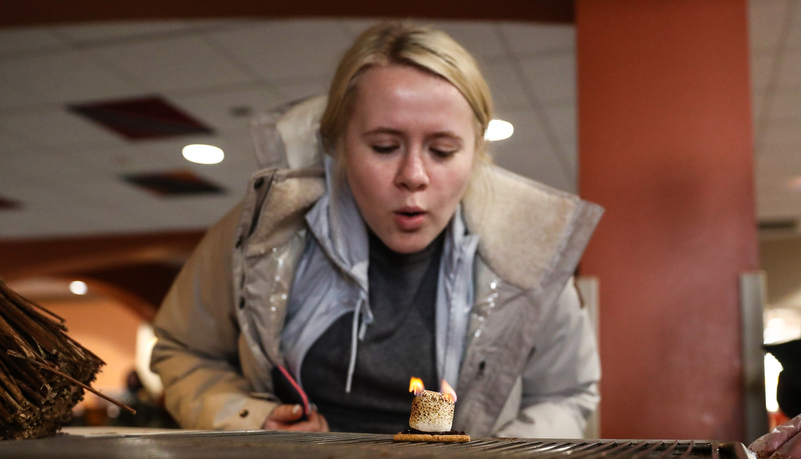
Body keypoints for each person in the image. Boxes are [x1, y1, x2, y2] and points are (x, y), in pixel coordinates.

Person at [150, 21, 603, 438]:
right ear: (338, 144)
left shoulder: (529, 257)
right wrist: (251, 419)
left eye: (443, 151)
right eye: (385, 146)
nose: (414, 175)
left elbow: (568, 392)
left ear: (476, 153)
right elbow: (182, 351)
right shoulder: (259, 235)